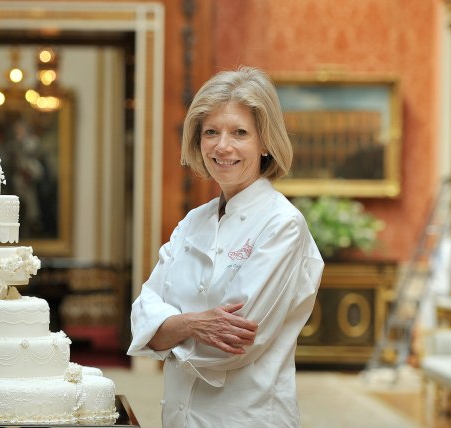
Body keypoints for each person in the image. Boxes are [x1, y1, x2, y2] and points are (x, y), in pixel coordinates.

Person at [127, 66, 324, 428]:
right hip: (178, 415)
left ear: (265, 142)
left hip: (247, 417)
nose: (222, 146)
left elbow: (233, 345)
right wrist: (194, 324)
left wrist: (169, 328)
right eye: (211, 132)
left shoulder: (283, 224)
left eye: (240, 133)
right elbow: (142, 315)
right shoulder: (192, 222)